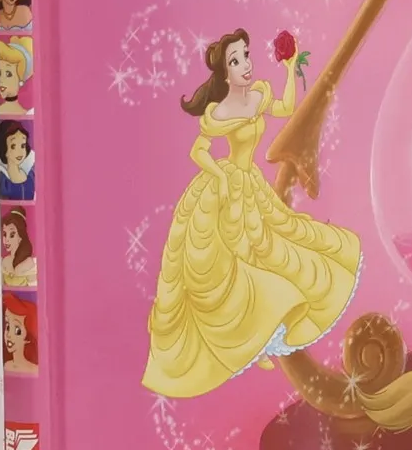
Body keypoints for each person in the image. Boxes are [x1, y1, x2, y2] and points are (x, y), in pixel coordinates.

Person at [142, 28, 361, 400]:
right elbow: (199, 151)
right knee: (230, 266)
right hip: (226, 186)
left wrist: (289, 70)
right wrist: (218, 175)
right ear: (224, 73)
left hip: (251, 183)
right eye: (236, 60)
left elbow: (285, 108)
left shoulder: (257, 94)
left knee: (272, 251)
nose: (245, 64)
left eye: (245, 55)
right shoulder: (219, 111)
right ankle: (245, 341)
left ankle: (262, 335)